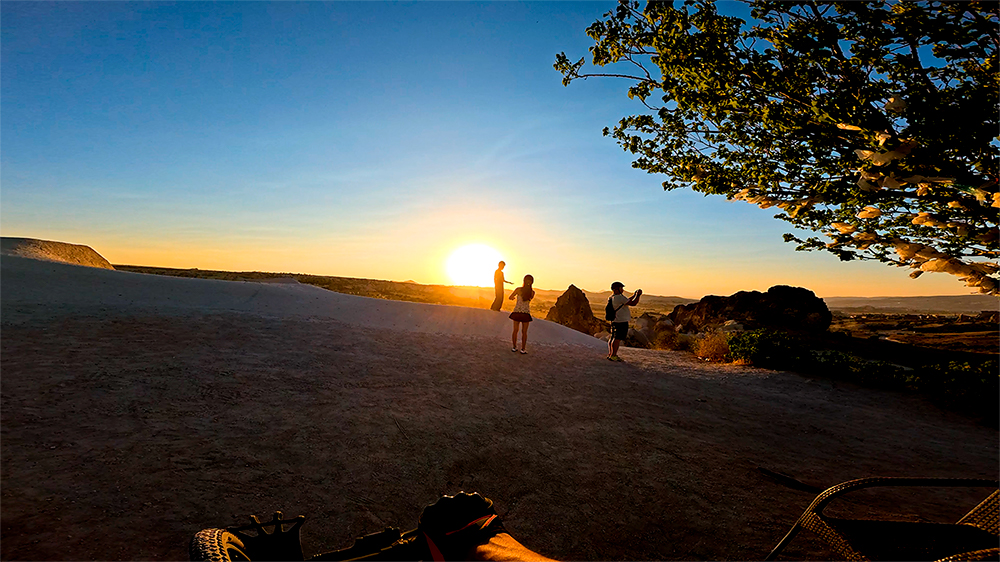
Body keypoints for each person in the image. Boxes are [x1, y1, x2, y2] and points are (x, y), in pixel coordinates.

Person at [607, 281, 641, 362]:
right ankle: (614, 355)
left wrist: (634, 295)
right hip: (621, 321)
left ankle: (611, 354)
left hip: (615, 320)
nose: (622, 290)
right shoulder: (619, 297)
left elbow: (626, 301)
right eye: (621, 288)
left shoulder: (612, 297)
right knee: (617, 339)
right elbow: (633, 303)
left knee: (613, 338)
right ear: (616, 289)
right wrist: (638, 295)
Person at [507, 274, 534, 354]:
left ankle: (514, 347)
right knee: (524, 332)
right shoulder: (532, 292)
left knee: (515, 330)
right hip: (525, 313)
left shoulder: (518, 289)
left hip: (517, 311)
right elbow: (529, 299)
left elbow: (510, 297)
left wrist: (514, 298)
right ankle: (523, 349)